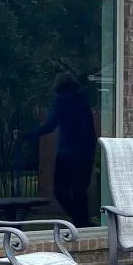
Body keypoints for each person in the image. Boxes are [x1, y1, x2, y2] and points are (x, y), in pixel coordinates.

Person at [33, 73, 98, 227]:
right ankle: (82, 222)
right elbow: (90, 131)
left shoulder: (62, 100)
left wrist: (28, 135)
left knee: (61, 192)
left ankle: (80, 221)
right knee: (80, 192)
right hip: (85, 154)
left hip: (68, 154)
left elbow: (51, 124)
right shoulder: (83, 101)